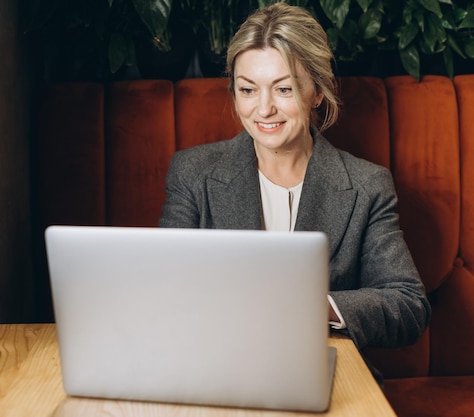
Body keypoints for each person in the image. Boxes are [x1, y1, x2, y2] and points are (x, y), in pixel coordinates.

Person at [158, 2, 431, 373]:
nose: (263, 108)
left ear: (316, 92)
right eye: (248, 90)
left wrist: (320, 307)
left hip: (323, 373)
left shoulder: (367, 185)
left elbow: (408, 304)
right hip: (217, 370)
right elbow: (163, 291)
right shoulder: (192, 173)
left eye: (283, 89)